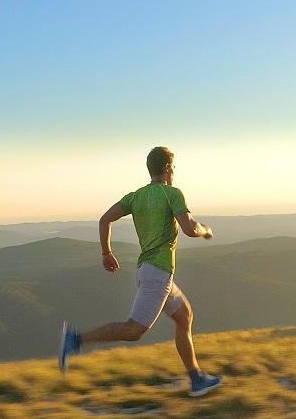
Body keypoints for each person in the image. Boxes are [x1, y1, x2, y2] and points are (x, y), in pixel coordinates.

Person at [59, 146, 223, 397]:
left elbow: (104, 220)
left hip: (153, 272)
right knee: (133, 330)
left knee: (184, 317)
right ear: (168, 168)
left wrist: (106, 253)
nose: (174, 171)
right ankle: (75, 340)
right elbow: (190, 228)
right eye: (173, 167)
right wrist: (206, 230)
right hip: (157, 274)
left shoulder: (136, 197)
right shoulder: (172, 194)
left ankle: (196, 378)